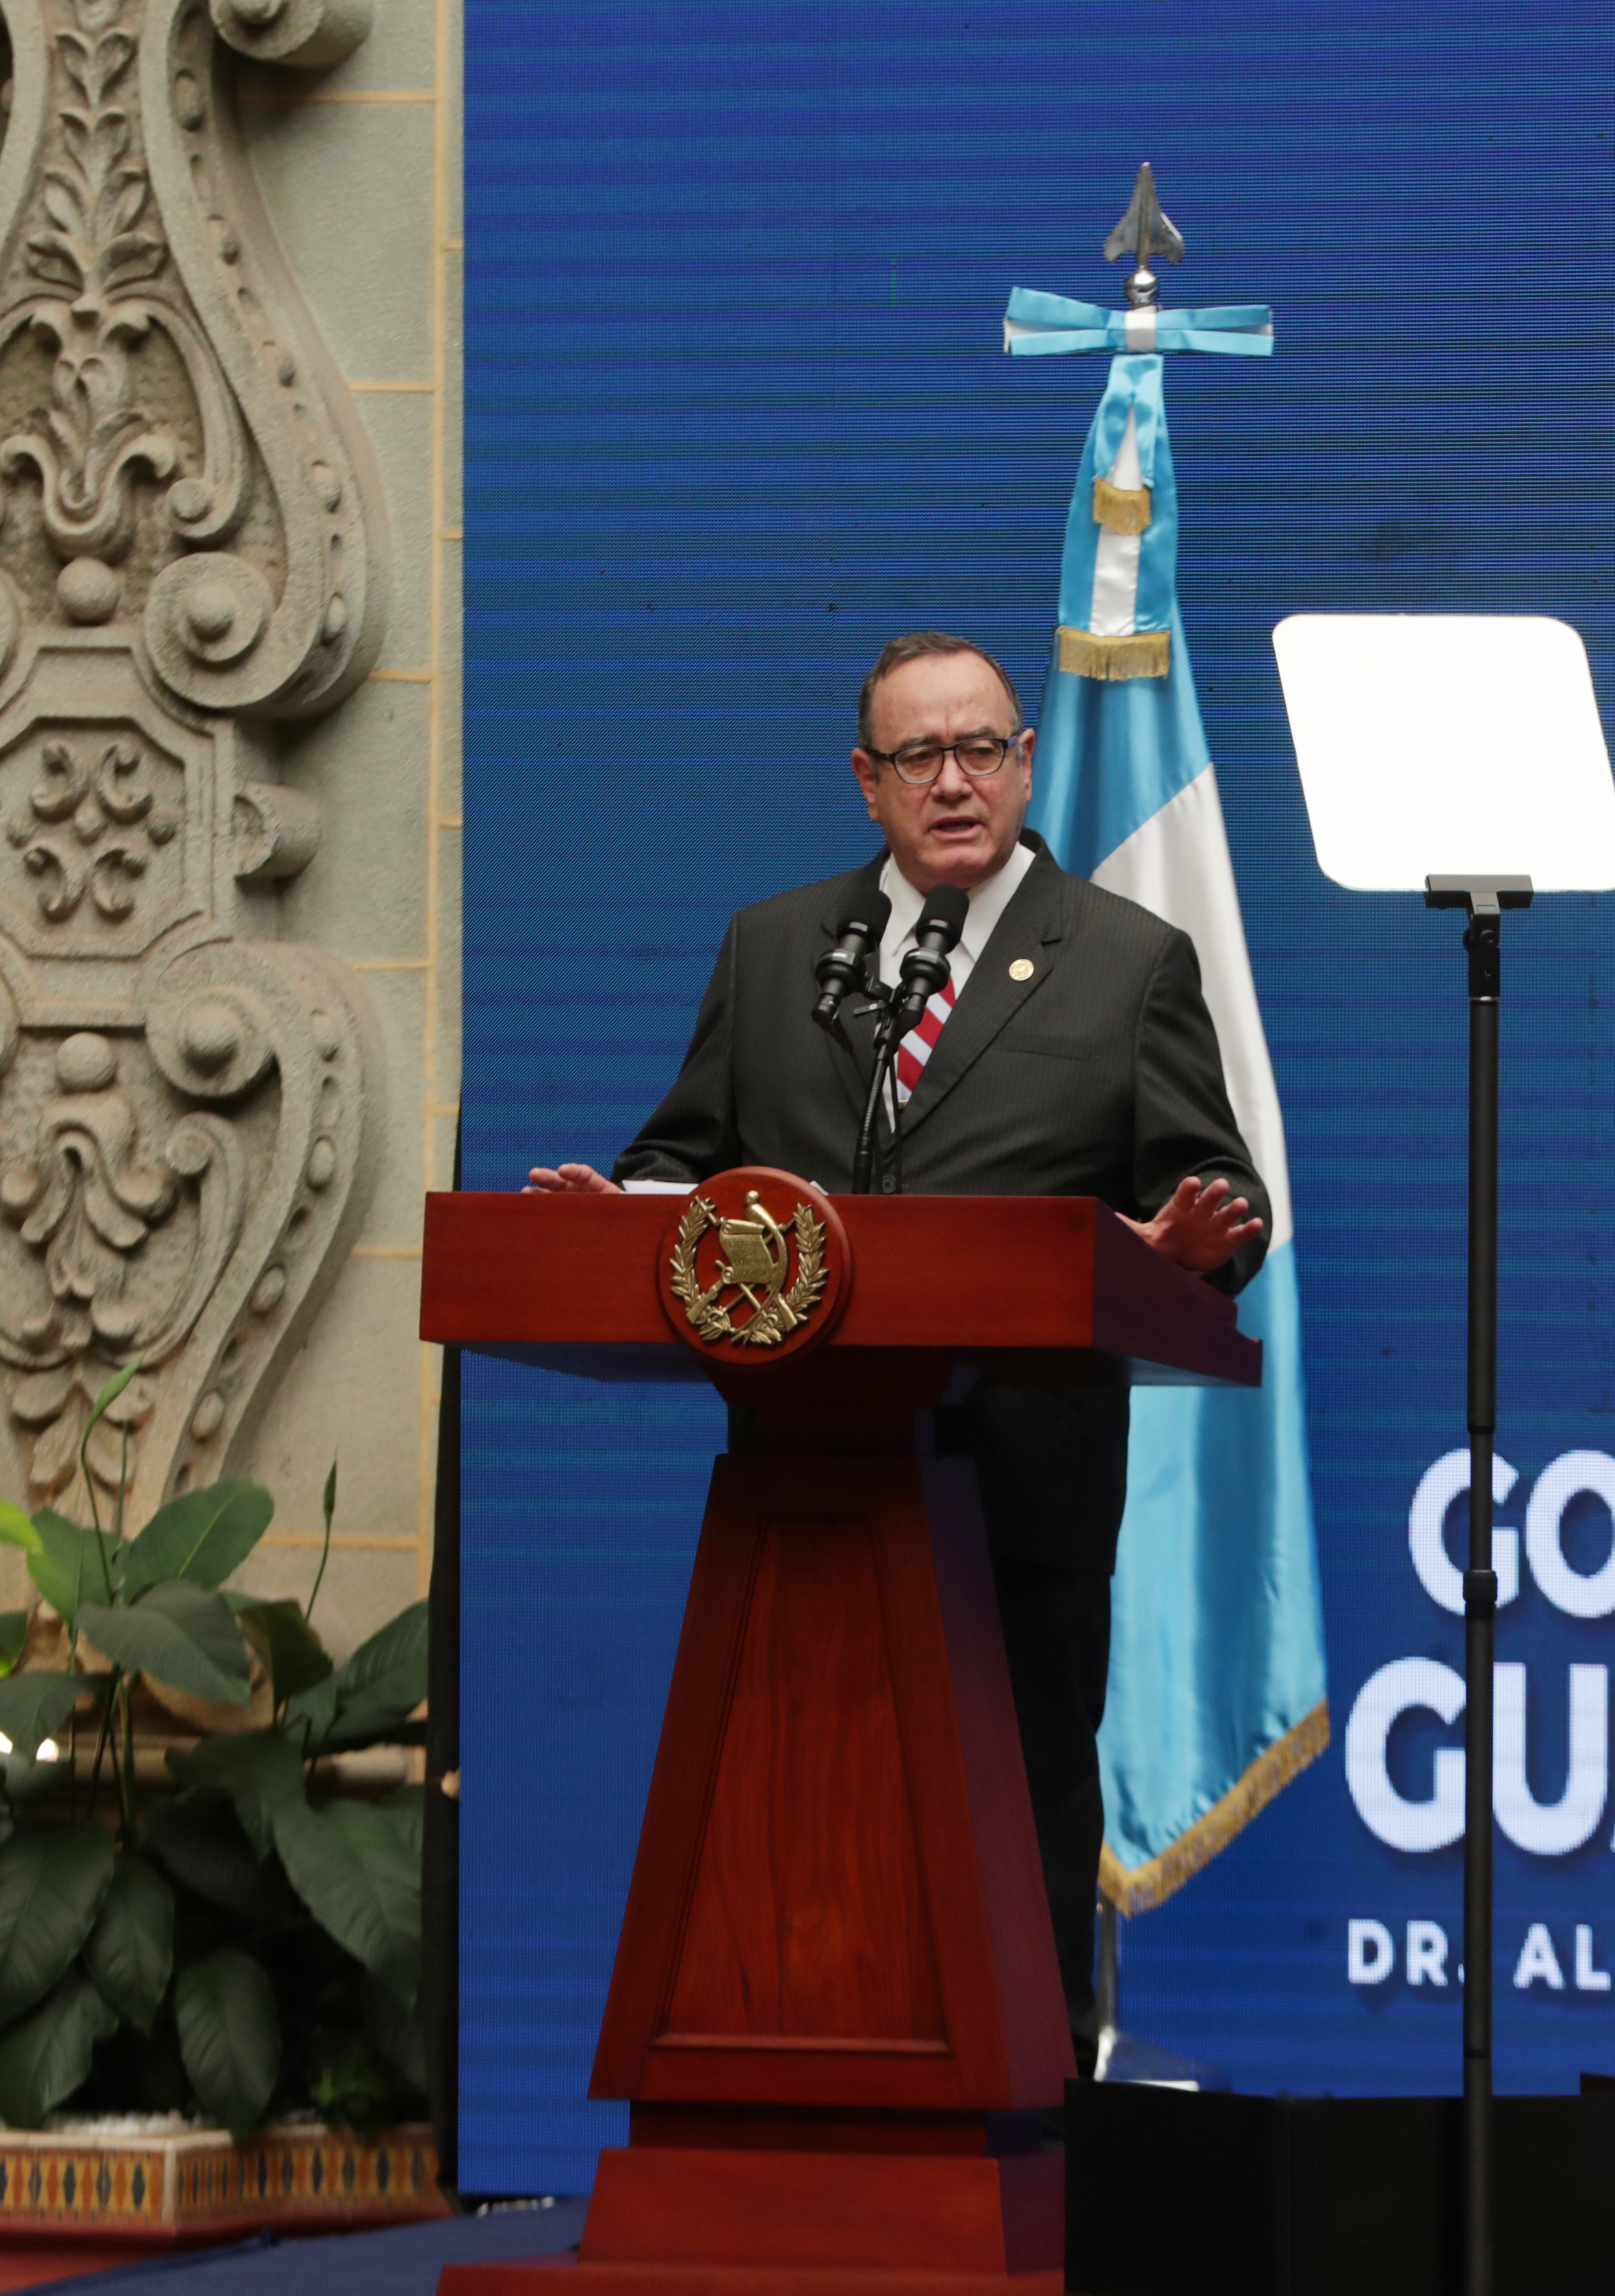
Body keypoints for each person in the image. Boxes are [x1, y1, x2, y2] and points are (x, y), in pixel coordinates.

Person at [526, 630, 1269, 2072]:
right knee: (804, 1799)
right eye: (919, 756)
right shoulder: (771, 948)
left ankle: (1037, 2113)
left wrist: (1181, 1252)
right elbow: (687, 1161)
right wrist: (625, 1212)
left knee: (1018, 1800)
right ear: (865, 781)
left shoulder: (1125, 963)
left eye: (981, 748)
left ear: (1025, 761)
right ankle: (788, 2095)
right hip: (812, 1481)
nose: (954, 781)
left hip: (1025, 1485)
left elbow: (1214, 1204)